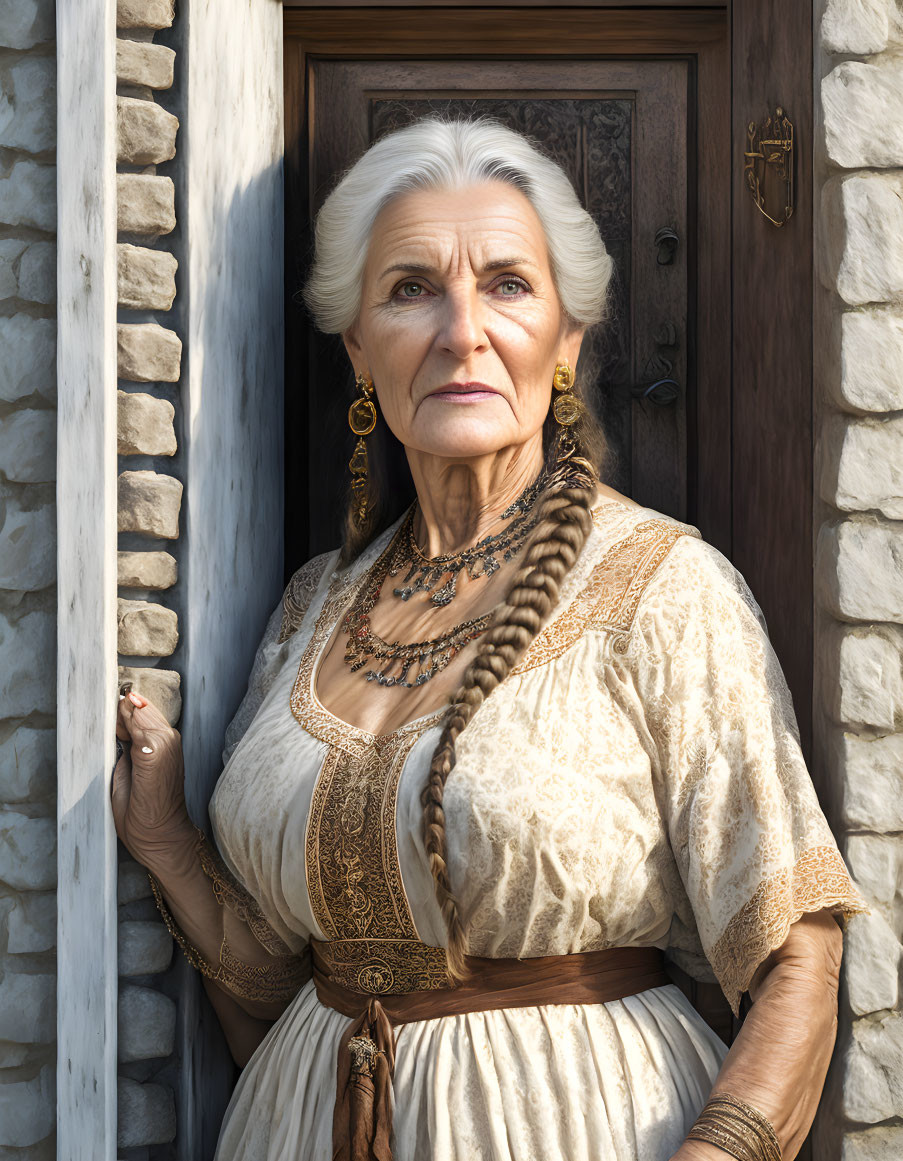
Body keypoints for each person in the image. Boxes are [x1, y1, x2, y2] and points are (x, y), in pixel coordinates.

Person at [112, 117, 866, 1161]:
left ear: (565, 341)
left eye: (508, 285)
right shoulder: (310, 609)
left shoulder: (663, 587)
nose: (461, 329)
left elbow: (797, 951)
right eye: (411, 288)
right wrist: (162, 844)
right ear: (358, 348)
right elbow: (269, 986)